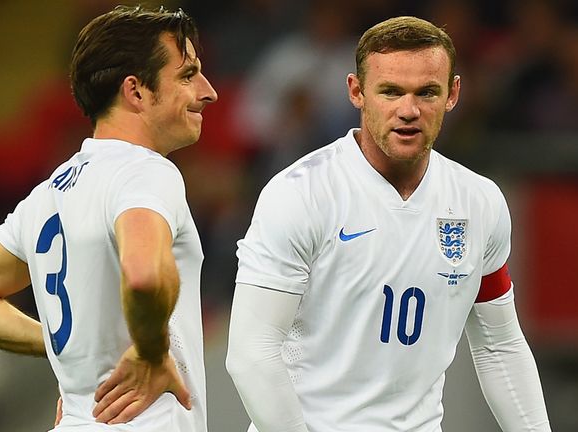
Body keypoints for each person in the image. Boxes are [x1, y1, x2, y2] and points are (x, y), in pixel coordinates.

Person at [226, 16, 551, 432]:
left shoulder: (479, 202)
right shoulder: (301, 194)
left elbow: (498, 345)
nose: (409, 110)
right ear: (356, 92)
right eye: (391, 92)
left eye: (427, 92)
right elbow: (252, 351)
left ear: (453, 94)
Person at [0, 5, 217, 431]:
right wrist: (152, 353)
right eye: (187, 75)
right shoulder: (146, 172)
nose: (208, 91)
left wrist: (66, 348)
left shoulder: (48, 194)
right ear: (136, 91)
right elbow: (143, 275)